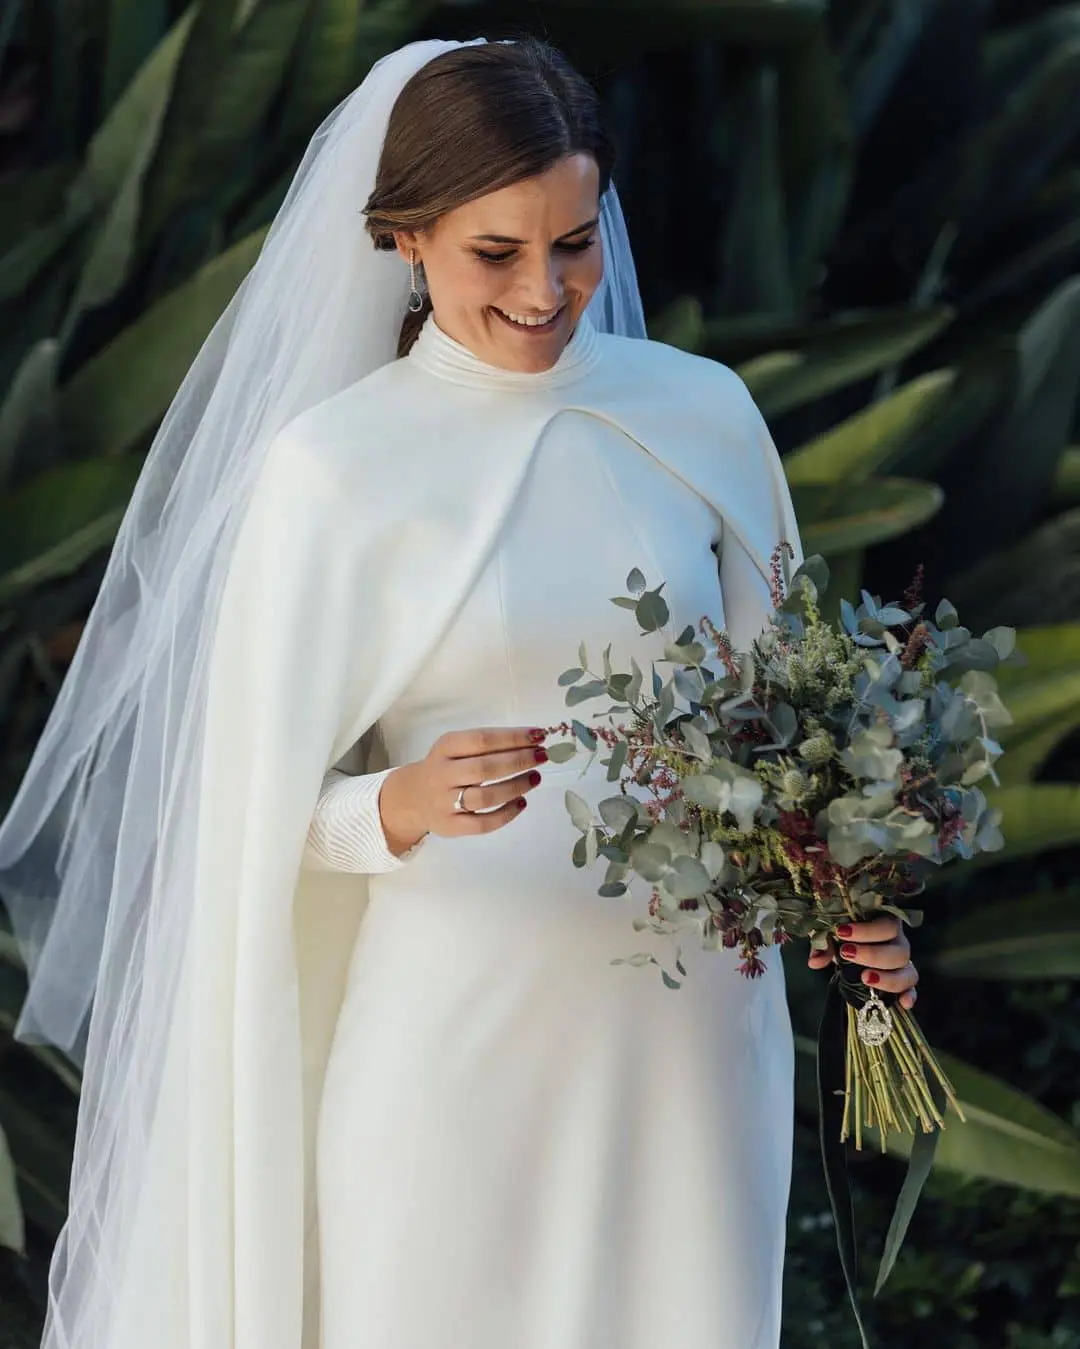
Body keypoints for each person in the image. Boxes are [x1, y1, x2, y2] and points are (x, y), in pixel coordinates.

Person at [0, 35, 919, 1349]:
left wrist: (846, 893)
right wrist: (393, 806)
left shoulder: (703, 414)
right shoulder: (334, 469)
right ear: (406, 238)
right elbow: (238, 813)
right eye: (499, 252)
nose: (548, 291)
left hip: (691, 1047)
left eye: (576, 241)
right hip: (453, 1045)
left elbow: (788, 728)